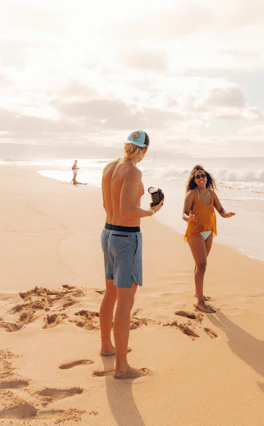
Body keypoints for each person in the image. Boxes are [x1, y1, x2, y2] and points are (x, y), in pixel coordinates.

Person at [99, 130, 164, 379]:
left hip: (107, 233)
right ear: (144, 150)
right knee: (125, 303)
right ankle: (122, 367)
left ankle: (107, 346)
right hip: (126, 238)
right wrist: (152, 211)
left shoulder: (109, 167)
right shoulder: (134, 171)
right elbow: (128, 211)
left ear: (127, 145)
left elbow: (108, 206)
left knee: (111, 294)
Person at [182, 165, 235, 313]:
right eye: (198, 176)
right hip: (195, 232)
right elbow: (184, 214)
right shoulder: (191, 195)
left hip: (209, 232)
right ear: (194, 179)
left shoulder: (211, 194)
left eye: (203, 176)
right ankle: (199, 302)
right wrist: (189, 218)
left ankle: (198, 293)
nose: (201, 178)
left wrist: (226, 214)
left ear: (207, 178)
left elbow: (220, 210)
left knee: (200, 265)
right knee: (202, 265)